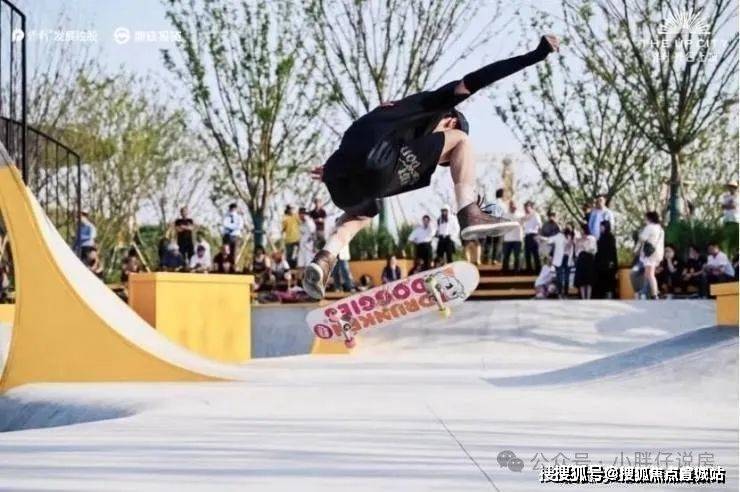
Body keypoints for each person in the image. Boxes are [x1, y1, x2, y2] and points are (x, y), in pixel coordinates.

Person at [302, 35, 560, 299]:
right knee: (462, 142)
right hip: (379, 163)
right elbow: (480, 77)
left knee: (361, 215)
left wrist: (334, 169)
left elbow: (360, 140)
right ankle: (469, 211)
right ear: (450, 121)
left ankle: (324, 259)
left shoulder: (396, 113)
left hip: (340, 177)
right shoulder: (436, 104)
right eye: (444, 160)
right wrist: (535, 56)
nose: (438, 160)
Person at [637, 211, 664, 300]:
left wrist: (639, 233)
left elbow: (642, 238)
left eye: (645, 218)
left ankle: (655, 293)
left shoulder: (649, 227)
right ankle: (648, 291)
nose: (644, 219)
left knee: (650, 274)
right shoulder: (660, 229)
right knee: (647, 273)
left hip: (650, 254)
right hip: (657, 253)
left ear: (649, 218)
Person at [542, 226, 573, 298]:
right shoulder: (560, 236)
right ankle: (562, 293)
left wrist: (541, 238)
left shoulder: (569, 237)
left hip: (566, 259)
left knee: (563, 277)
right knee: (562, 277)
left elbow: (549, 240)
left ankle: (563, 293)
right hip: (562, 259)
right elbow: (549, 240)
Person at [482, 188, 507, 264]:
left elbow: (485, 213)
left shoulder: (490, 203)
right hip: (499, 224)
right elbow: (504, 216)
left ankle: (486, 259)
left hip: (490, 224)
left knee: (489, 242)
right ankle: (494, 259)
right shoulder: (503, 205)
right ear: (502, 195)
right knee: (497, 243)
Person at [594, 221, 618, 299]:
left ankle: (609, 296)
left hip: (607, 263)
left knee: (608, 281)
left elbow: (612, 251)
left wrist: (612, 262)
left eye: (602, 226)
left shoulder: (610, 237)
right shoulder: (601, 237)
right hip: (601, 263)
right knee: (602, 281)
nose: (600, 228)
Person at [574, 223, 597, 299]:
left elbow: (594, 250)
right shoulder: (579, 239)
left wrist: (585, 246)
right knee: (582, 281)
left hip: (589, 259)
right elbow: (576, 252)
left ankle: (588, 297)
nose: (581, 231)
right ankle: (583, 298)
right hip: (581, 259)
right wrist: (578, 244)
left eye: (581, 229)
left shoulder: (591, 238)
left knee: (589, 280)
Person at [501, 201, 523, 273]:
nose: (512, 207)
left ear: (516, 206)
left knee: (517, 256)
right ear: (509, 206)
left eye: (513, 205)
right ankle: (505, 270)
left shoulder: (520, 215)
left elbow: (526, 220)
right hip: (507, 239)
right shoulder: (505, 215)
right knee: (506, 256)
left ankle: (517, 271)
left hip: (517, 239)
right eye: (511, 205)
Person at [522, 201, 542, 273]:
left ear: (530, 207)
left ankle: (538, 270)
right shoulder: (525, 216)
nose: (525, 209)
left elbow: (540, 226)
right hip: (527, 236)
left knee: (535, 253)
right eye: (525, 208)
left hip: (534, 235)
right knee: (527, 254)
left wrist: (538, 236)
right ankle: (529, 270)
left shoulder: (535, 214)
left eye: (527, 207)